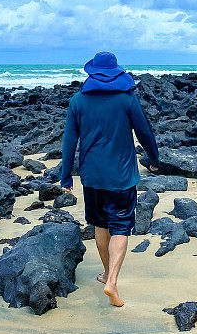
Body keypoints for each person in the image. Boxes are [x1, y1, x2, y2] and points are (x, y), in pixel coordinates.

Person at [60, 51, 159, 307]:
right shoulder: (127, 99)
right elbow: (144, 131)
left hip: (91, 176)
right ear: (116, 72)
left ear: (92, 73)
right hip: (122, 176)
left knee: (100, 225)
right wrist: (154, 158)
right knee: (121, 227)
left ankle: (105, 273)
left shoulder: (78, 101)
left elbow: (69, 142)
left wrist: (66, 177)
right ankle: (112, 280)